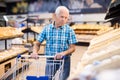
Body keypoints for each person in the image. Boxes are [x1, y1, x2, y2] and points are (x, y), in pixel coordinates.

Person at [31, 6, 77, 80]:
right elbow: (37, 43)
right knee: (49, 78)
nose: (63, 20)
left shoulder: (70, 30)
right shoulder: (46, 29)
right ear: (55, 16)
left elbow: (73, 48)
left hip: (65, 60)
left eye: (66, 18)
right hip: (50, 59)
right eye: (62, 17)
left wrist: (63, 53)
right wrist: (34, 52)